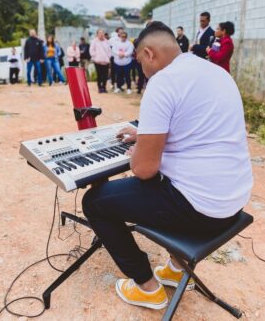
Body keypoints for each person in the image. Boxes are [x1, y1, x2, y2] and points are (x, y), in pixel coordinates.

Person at [82, 21, 252, 312]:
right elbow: (194, 125)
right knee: (162, 183)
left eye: (139, 62)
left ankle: (146, 287)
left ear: (149, 53)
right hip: (234, 202)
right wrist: (145, 133)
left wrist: (140, 151)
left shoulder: (162, 81)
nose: (141, 70)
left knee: (95, 201)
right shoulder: (214, 71)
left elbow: (144, 169)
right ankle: (175, 268)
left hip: (202, 211)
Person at [90, 29, 111, 93]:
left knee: (105, 75)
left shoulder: (107, 41)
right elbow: (91, 50)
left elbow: (109, 51)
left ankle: (104, 87)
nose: (101, 34)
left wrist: (108, 57)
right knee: (99, 75)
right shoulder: (94, 41)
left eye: (102, 33)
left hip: (105, 61)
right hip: (97, 61)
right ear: (97, 34)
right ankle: (99, 88)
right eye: (100, 33)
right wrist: (95, 58)